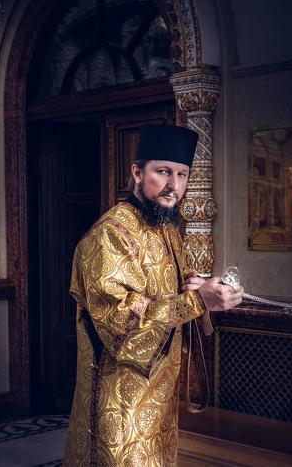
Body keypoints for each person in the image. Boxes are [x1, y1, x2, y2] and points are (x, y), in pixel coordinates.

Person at [63, 124, 244, 466]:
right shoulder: (110, 235)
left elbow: (167, 297)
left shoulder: (166, 227)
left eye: (182, 174)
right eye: (162, 172)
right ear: (137, 172)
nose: (174, 186)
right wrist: (198, 301)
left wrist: (197, 287)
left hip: (159, 400)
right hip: (120, 400)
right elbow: (121, 327)